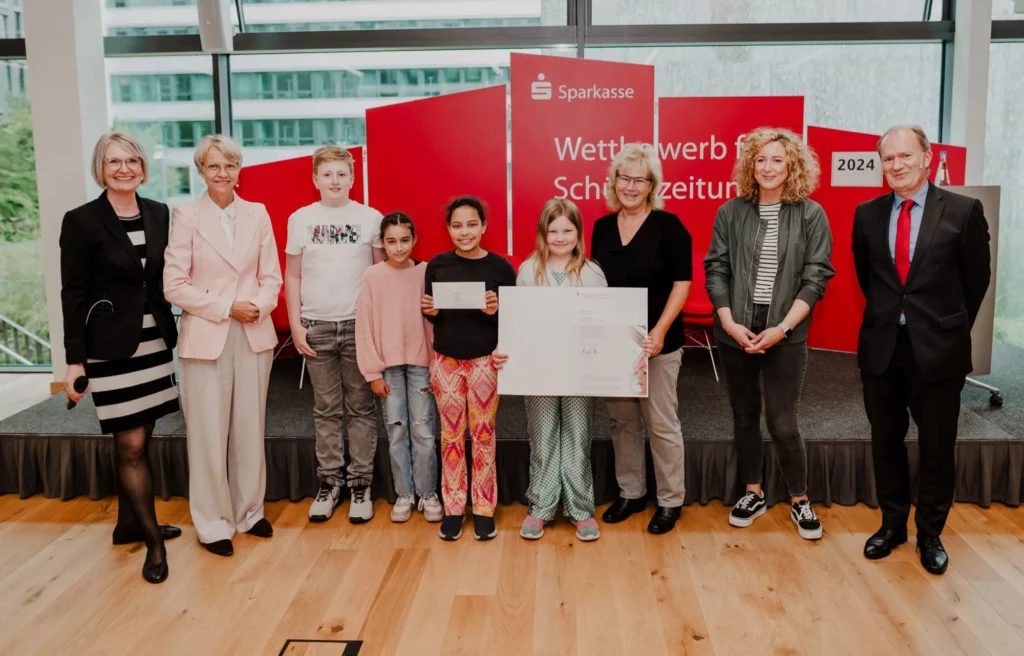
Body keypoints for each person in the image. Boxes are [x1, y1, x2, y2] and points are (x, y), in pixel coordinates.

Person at [853, 125, 990, 575]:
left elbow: (976, 282)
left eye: (905, 156)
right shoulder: (867, 214)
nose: (896, 165)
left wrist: (946, 328)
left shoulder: (965, 211)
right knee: (885, 442)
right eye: (888, 159)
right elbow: (868, 280)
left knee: (936, 447)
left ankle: (930, 532)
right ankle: (892, 525)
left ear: (928, 157)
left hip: (938, 351)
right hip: (882, 348)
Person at [59, 132, 181, 584]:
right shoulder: (82, 221)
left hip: (153, 342)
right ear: (101, 168)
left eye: (132, 160)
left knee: (139, 437)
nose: (124, 168)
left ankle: (127, 524)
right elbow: (72, 293)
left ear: (143, 166)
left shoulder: (159, 213)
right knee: (129, 443)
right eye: (114, 161)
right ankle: (153, 543)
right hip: (109, 348)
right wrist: (75, 361)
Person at [704, 127, 835, 540]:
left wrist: (781, 328)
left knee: (782, 421)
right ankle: (753, 492)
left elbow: (815, 279)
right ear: (750, 165)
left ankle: (799, 499)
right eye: (760, 159)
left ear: (792, 164)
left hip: (785, 335)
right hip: (734, 333)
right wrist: (727, 322)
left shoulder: (812, 214)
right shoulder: (730, 212)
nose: (768, 167)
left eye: (777, 159)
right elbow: (717, 269)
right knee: (744, 416)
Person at [163, 134, 283, 557]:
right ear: (201, 170)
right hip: (206, 335)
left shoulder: (258, 213)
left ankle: (250, 511)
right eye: (213, 166)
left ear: (239, 169)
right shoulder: (186, 214)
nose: (222, 174)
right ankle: (213, 523)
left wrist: (257, 305)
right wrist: (226, 307)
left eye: (230, 165)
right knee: (208, 434)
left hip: (253, 331)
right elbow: (173, 285)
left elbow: (272, 276)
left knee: (250, 427)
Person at [590, 142, 693, 535]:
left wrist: (659, 332)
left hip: (658, 343)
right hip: (615, 346)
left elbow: (682, 285)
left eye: (640, 180)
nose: (631, 187)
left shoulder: (670, 227)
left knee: (661, 422)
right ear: (614, 182)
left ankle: (670, 501)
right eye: (624, 178)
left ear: (652, 185)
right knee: (622, 421)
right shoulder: (600, 227)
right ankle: (631, 492)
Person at [491, 198, 606, 542]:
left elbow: (602, 323)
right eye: (553, 230)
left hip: (578, 371)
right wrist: (504, 348)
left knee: (577, 434)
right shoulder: (528, 271)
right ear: (542, 233)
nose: (560, 237)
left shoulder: (592, 272)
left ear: (578, 233)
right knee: (542, 437)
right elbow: (516, 321)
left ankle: (581, 509)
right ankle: (540, 507)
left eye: (567, 230)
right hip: (538, 370)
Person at [284, 145, 384, 524]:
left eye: (342, 174)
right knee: (325, 410)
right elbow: (293, 275)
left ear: (353, 178)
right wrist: (295, 324)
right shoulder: (300, 219)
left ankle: (361, 485)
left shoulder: (369, 217)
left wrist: (375, 329)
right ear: (315, 179)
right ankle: (330, 483)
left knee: (361, 408)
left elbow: (379, 278)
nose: (335, 181)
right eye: (327, 174)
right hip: (316, 327)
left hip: (358, 327)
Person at [422, 196, 517, 541]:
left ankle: (484, 508)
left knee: (484, 435)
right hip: (446, 361)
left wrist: (498, 309)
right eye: (457, 225)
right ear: (449, 229)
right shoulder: (437, 265)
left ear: (484, 226)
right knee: (449, 437)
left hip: (484, 361)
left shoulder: (501, 269)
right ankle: (453, 508)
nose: (465, 232)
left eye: (471, 224)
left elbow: (516, 320)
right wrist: (429, 310)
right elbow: (432, 310)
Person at [355, 212, 443, 523]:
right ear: (382, 242)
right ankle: (404, 493)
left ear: (414, 240)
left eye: (405, 240)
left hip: (421, 364)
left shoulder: (425, 271)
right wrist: (372, 372)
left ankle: (428, 493)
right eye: (391, 241)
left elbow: (435, 321)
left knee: (423, 430)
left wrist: (436, 364)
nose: (399, 247)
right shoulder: (372, 276)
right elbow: (364, 325)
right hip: (388, 367)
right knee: (396, 430)